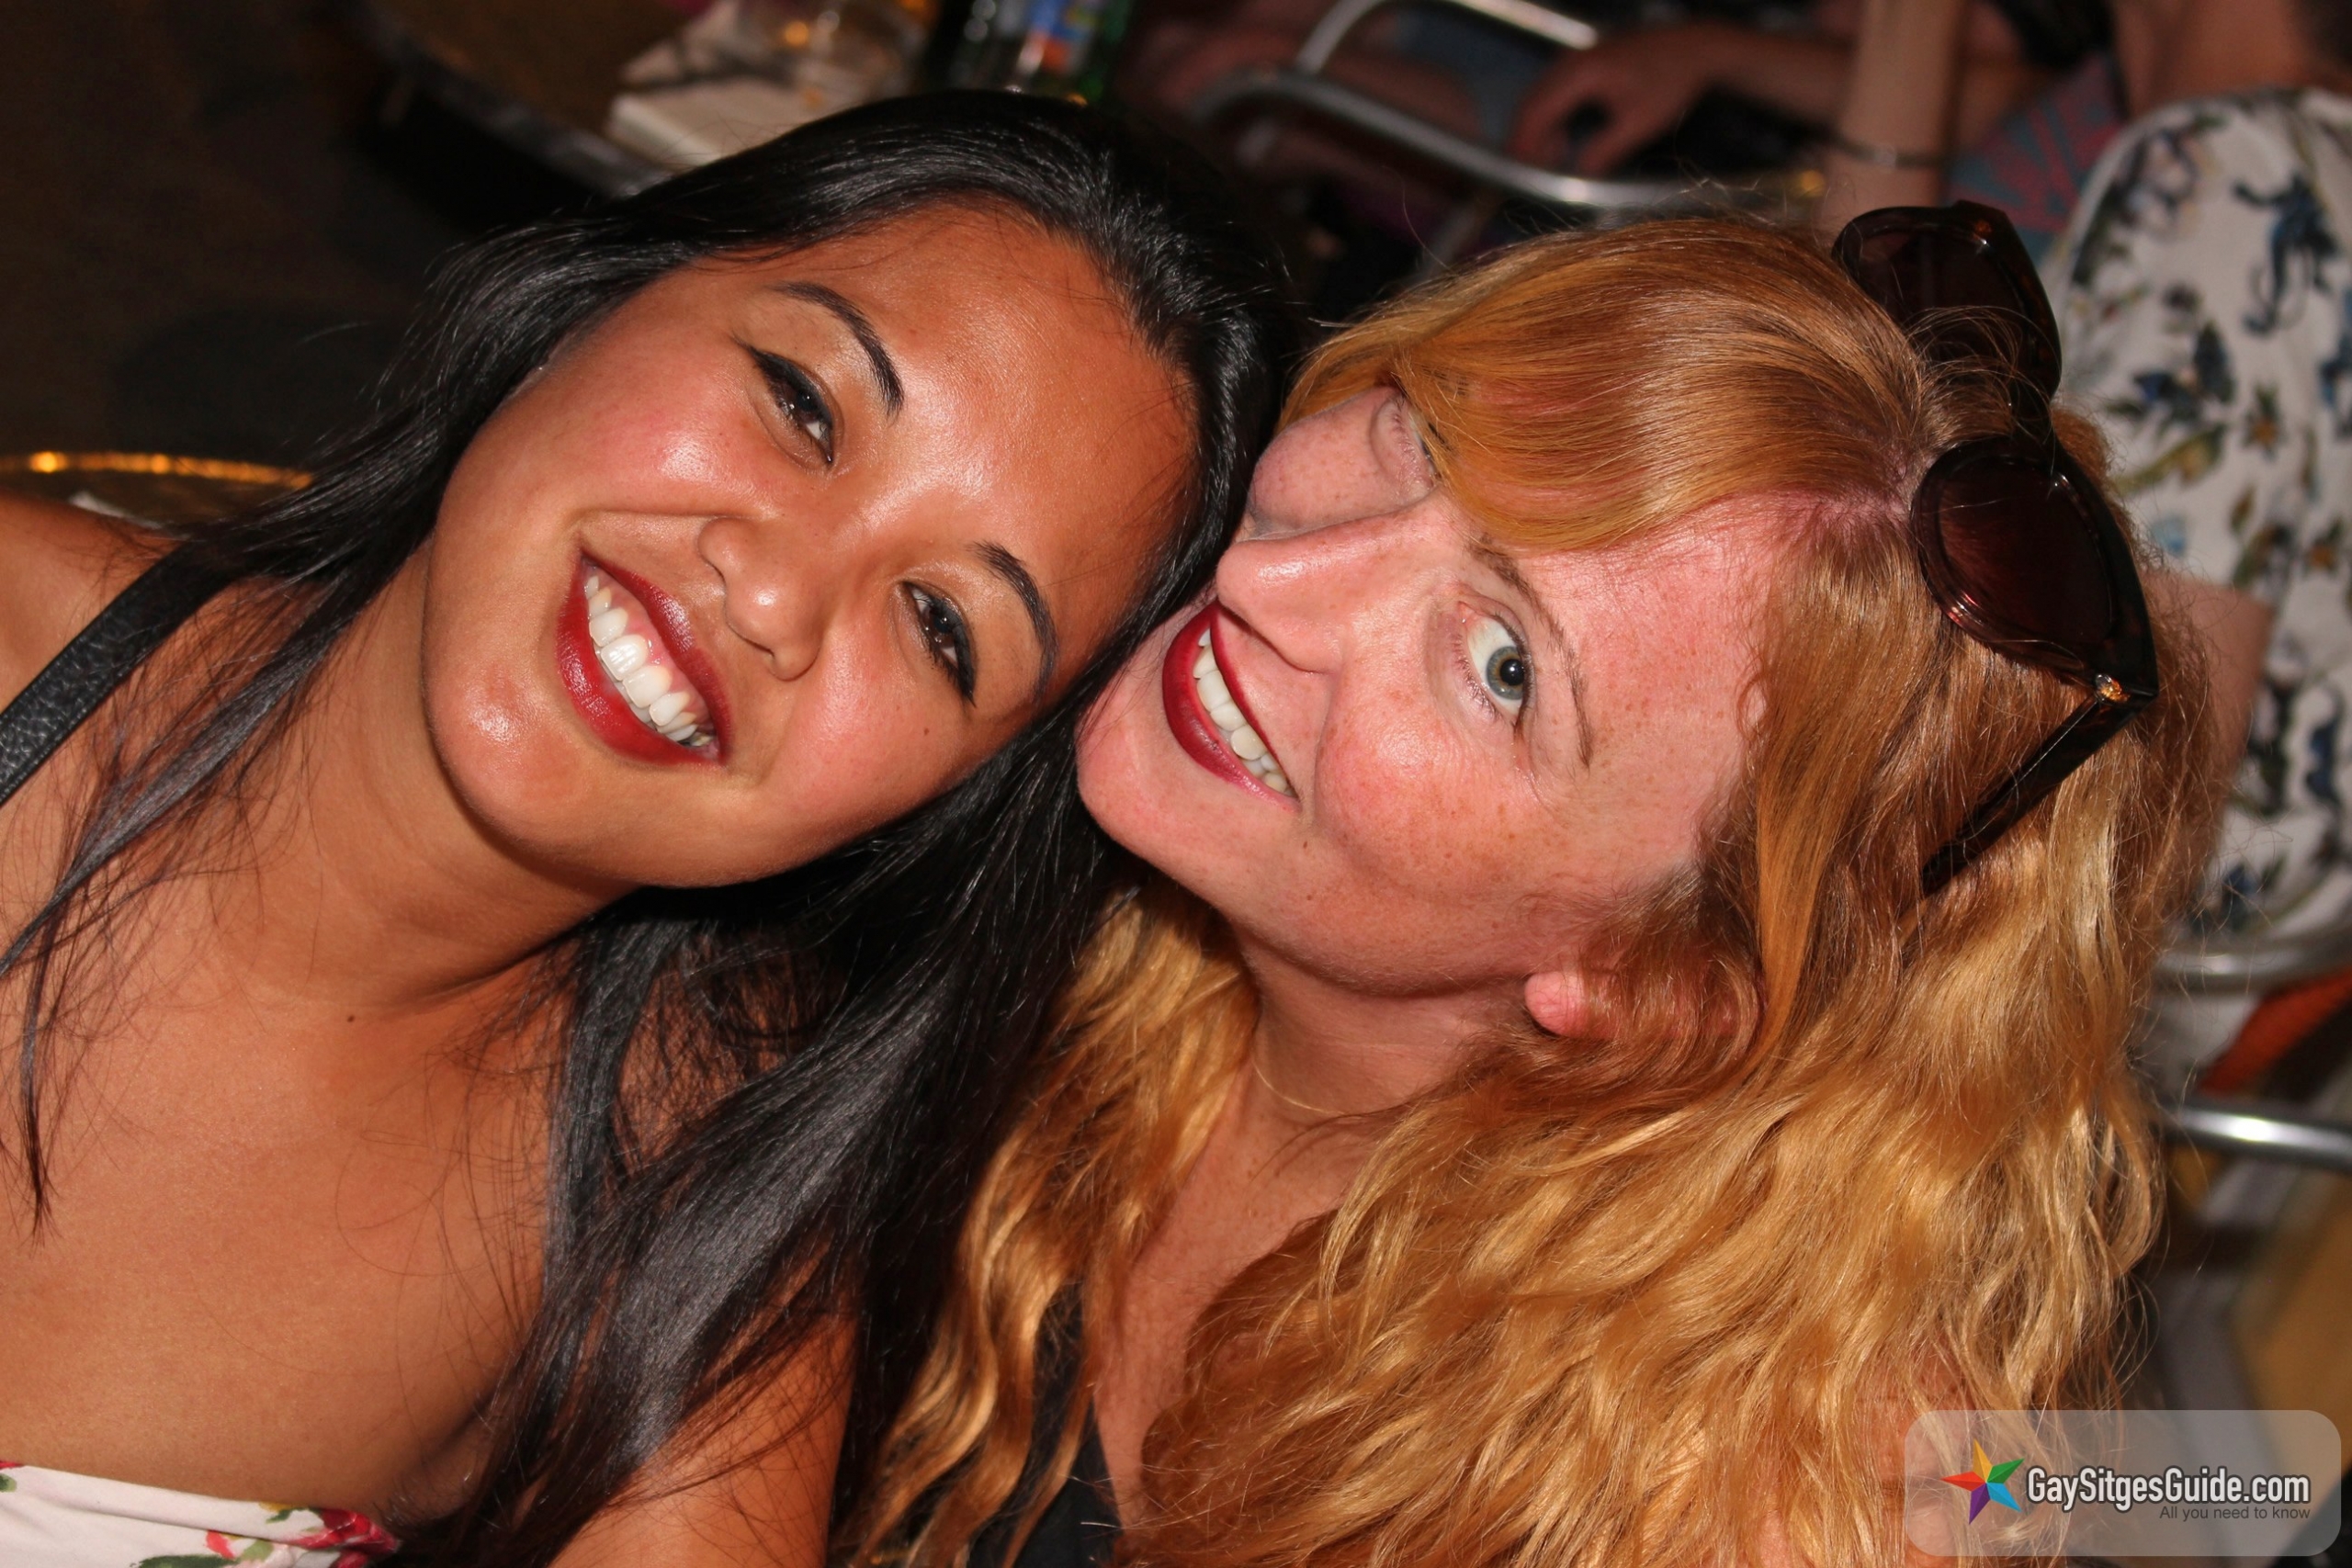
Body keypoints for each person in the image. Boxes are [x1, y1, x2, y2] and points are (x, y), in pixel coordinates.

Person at [0, 92, 1295, 1568]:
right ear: (604, 293)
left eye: (943, 624)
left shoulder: (692, 1200)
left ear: (945, 803)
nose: (773, 594)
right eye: (805, 405)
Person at [848, 214, 2223, 1566]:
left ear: (1660, 980)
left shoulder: (1751, 1514)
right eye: (1418, 445)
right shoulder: (1010, 758)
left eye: (1503, 667)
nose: (1270, 574)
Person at [1818, 0, 2352, 1082]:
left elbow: (2118, 791)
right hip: (2249, 960)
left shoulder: (2230, 180)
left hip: (2063, 990)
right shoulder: (2306, 172)